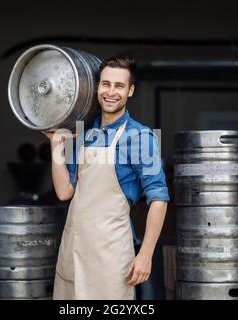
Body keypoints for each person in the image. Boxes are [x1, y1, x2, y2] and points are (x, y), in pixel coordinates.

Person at [42, 55, 169, 300]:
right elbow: (64, 192)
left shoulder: (143, 137)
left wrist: (145, 254)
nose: (111, 92)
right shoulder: (80, 132)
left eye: (119, 86)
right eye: (105, 84)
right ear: (97, 86)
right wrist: (57, 145)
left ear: (130, 90)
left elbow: (159, 198)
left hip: (111, 258)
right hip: (73, 253)